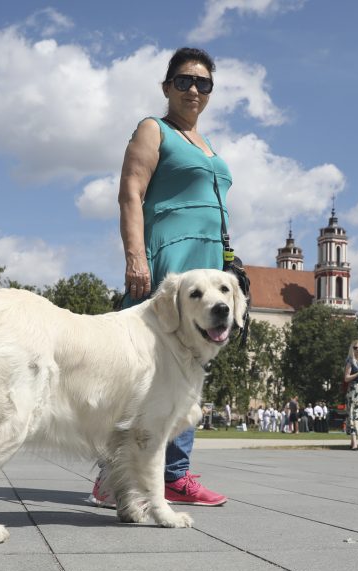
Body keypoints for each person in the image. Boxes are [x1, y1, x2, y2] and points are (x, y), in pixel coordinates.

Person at [89, 47, 229, 508]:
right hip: (166, 263)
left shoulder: (207, 146)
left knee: (189, 371)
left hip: (205, 269)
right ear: (167, 86)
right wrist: (135, 257)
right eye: (185, 81)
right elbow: (131, 193)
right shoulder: (155, 129)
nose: (194, 89)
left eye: (203, 83)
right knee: (140, 373)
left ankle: (173, 475)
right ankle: (112, 475)